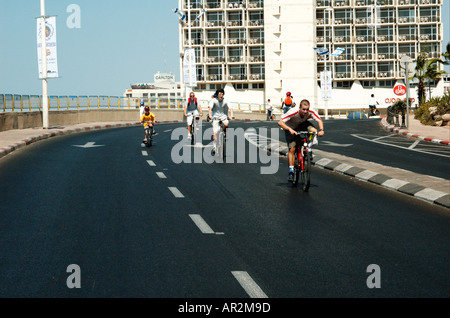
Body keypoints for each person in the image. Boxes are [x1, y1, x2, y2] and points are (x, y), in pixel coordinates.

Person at [278, 99, 324, 182]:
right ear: (299, 108)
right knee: (292, 149)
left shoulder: (311, 111)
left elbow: (319, 120)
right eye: (303, 109)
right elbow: (280, 122)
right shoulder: (293, 112)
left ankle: (309, 148)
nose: (305, 112)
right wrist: (290, 129)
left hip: (302, 125)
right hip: (290, 128)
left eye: (307, 109)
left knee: (314, 131)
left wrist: (321, 130)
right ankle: (291, 171)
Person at [208, 88, 234, 155]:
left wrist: (231, 115)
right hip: (215, 117)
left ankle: (224, 134)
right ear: (217, 95)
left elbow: (231, 108)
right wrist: (210, 115)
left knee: (226, 125)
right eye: (220, 94)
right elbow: (210, 109)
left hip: (224, 117)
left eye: (222, 94)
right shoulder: (213, 100)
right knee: (215, 133)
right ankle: (214, 147)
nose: (221, 95)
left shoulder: (226, 101)